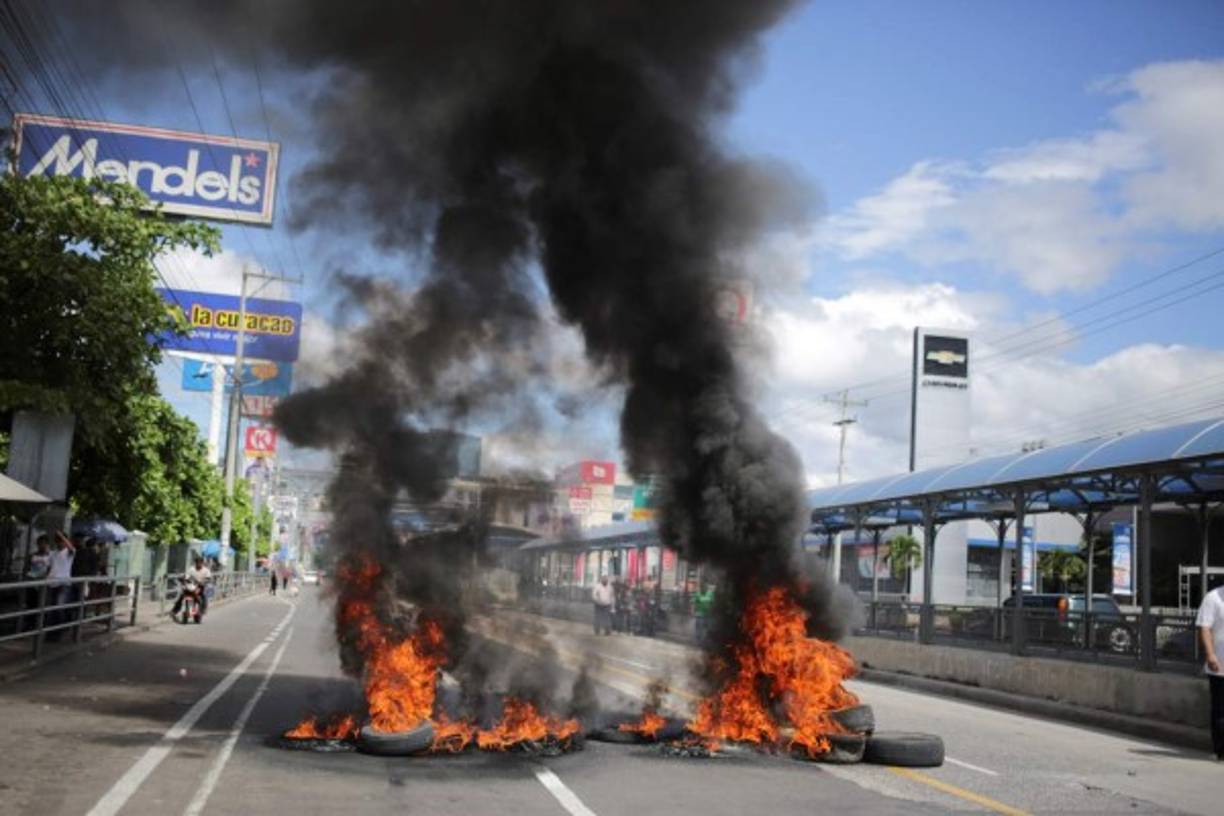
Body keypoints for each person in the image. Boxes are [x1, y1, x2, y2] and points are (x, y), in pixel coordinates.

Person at [1196, 583, 1224, 760]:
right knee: (1221, 710)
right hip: (1220, 666)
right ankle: (1220, 750)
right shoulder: (1213, 598)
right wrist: (1211, 655)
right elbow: (1204, 627)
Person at [45, 532, 76, 639]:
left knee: (58, 607)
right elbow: (49, 568)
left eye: (61, 540)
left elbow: (71, 548)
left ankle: (58, 631)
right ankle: (51, 632)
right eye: (58, 540)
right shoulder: (52, 553)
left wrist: (63, 536)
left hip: (64, 584)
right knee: (51, 609)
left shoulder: (68, 552)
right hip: (52, 583)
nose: (60, 542)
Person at [23, 535, 52, 631]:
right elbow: (26, 568)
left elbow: (51, 569)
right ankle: (29, 624)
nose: (42, 546)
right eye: (40, 543)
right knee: (31, 604)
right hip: (32, 582)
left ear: (47, 544)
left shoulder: (50, 557)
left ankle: (40, 625)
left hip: (44, 584)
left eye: (44, 543)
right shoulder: (32, 556)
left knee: (42, 604)